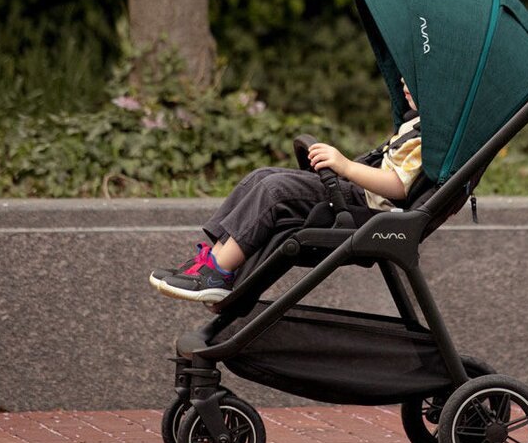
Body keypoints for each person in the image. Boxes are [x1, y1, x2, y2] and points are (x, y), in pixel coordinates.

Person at [150, 79, 422, 303]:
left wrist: (346, 166)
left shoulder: (425, 140)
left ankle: (217, 273)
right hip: (355, 193)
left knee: (274, 190)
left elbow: (398, 186)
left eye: (412, 78)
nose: (402, 81)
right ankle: (212, 263)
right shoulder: (414, 124)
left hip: (365, 208)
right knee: (261, 176)